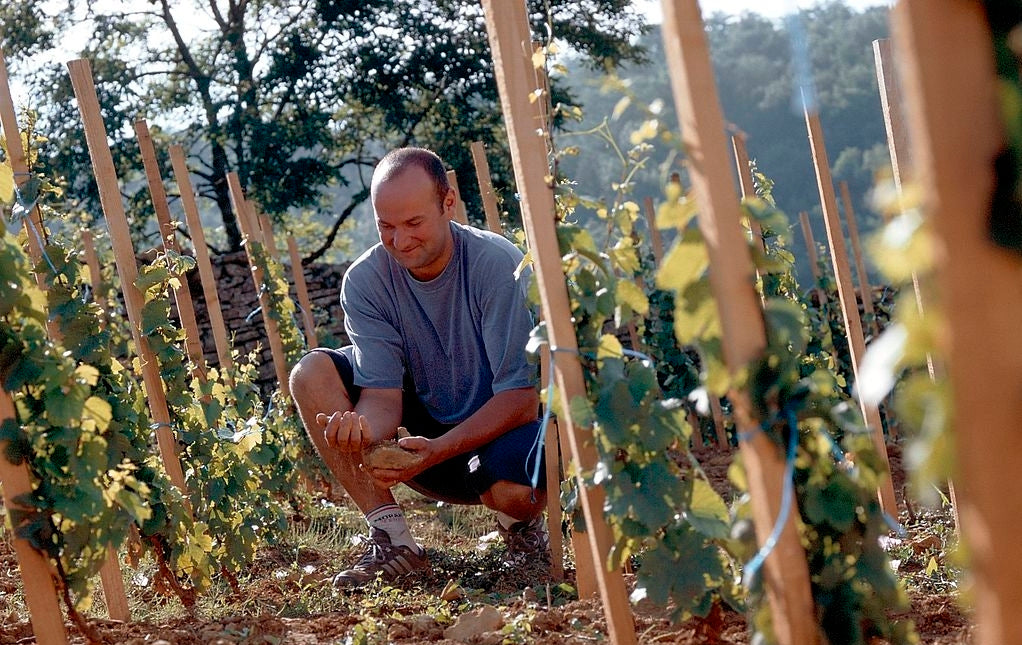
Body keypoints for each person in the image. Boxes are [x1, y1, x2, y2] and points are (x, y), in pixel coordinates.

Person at [289, 147, 548, 588]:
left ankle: (519, 526)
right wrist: (362, 431)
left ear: (448, 203)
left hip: (500, 433)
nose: (400, 241)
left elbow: (522, 400)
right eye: (385, 226)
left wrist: (440, 448)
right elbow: (382, 396)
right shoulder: (366, 280)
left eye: (414, 224)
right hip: (428, 449)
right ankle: (393, 539)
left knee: (516, 493)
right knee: (310, 373)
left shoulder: (496, 265)